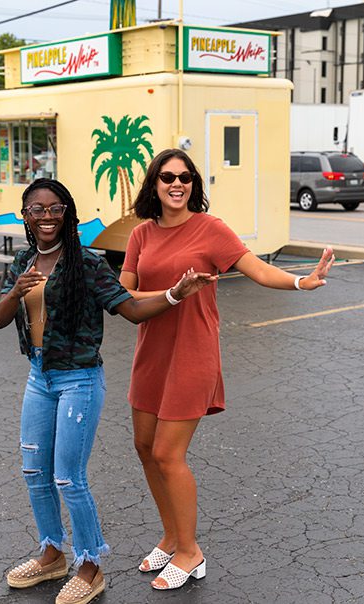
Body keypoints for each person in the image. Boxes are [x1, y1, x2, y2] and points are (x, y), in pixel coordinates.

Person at [119, 148, 335, 591]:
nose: (176, 184)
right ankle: (170, 536)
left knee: (167, 454)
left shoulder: (210, 230)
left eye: (185, 177)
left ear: (194, 184)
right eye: (167, 177)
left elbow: (256, 269)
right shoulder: (141, 234)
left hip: (192, 355)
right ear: (154, 186)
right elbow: (126, 292)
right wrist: (176, 291)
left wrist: (301, 281)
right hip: (151, 355)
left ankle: (189, 551)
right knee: (144, 447)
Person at [0, 177, 214, 604]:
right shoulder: (22, 261)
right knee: (34, 473)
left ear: (67, 213)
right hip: (39, 377)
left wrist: (174, 294)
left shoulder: (88, 264)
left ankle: (90, 566)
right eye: (37, 210)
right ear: (25, 216)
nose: (47, 217)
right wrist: (16, 292)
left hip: (78, 378)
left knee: (67, 477)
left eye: (55, 208)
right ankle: (52, 553)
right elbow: (1, 318)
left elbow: (130, 309)